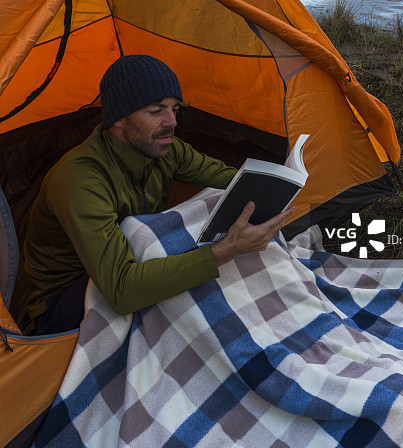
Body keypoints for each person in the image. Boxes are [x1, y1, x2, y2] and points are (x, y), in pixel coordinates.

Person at [24, 54, 294, 335]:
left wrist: (282, 185)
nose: (172, 121)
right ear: (118, 120)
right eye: (156, 111)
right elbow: (122, 290)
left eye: (175, 109)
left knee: (210, 288)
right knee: (190, 299)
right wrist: (227, 249)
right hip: (63, 301)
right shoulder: (81, 179)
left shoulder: (165, 149)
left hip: (128, 260)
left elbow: (235, 182)